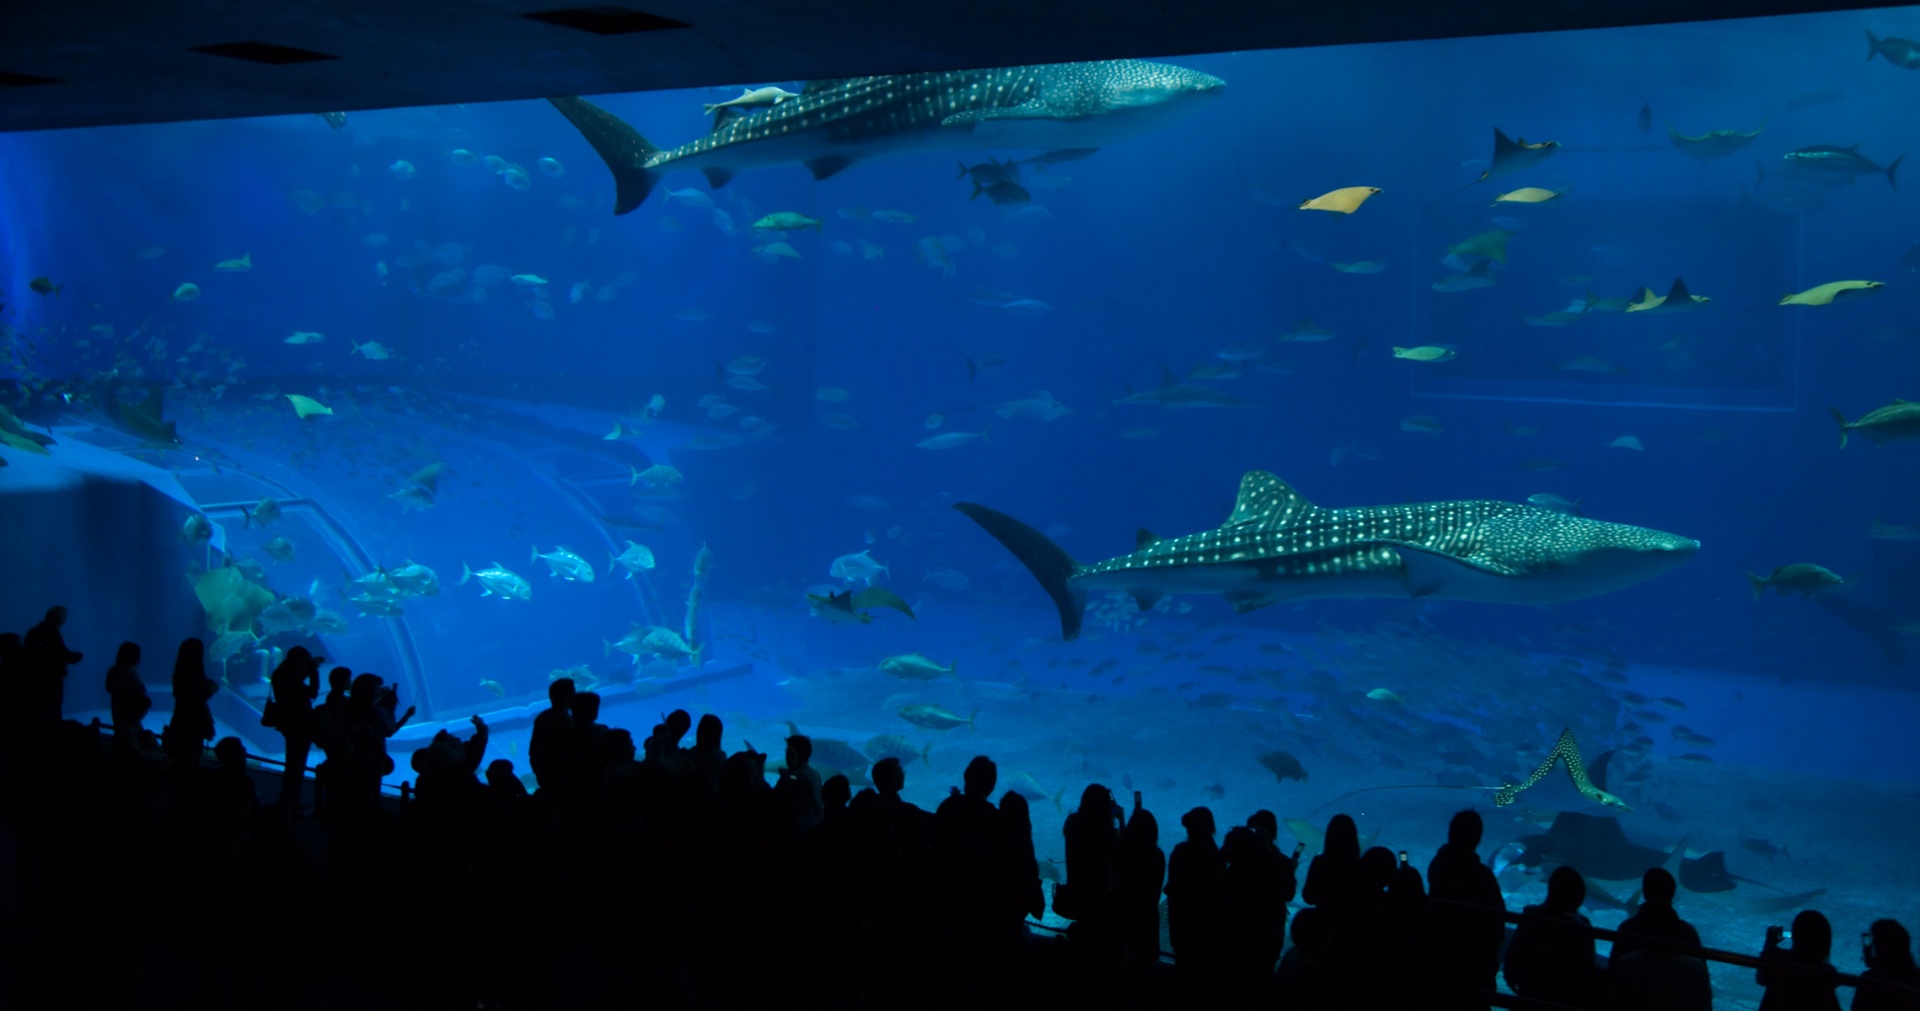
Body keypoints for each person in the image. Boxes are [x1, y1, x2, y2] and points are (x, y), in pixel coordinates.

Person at [1425, 809, 1507, 1010]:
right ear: (1477, 839)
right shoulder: (1483, 876)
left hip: (1439, 961)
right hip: (1474, 966)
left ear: (1451, 833)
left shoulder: (1437, 865)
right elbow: (1497, 921)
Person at [1503, 865, 1604, 1009]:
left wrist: (1513, 980)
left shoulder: (1532, 916)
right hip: (1566, 996)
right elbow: (1586, 967)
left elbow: (1514, 954)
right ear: (1579, 896)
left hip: (1532, 992)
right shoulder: (1581, 925)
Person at [1610, 866, 1711, 1010]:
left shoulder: (1628, 929)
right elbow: (1702, 985)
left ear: (1644, 893)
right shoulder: (1687, 932)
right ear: (1672, 893)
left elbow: (1613, 977)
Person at [1165, 806, 1226, 993]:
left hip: (1182, 927)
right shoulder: (1218, 858)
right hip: (1209, 930)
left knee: (1183, 974)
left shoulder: (1181, 851)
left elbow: (1172, 888)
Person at [1060, 784, 1121, 945]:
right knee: (1099, 939)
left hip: (1078, 893)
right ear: (1106, 808)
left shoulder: (1072, 823)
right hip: (1103, 899)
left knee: (1083, 936)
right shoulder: (1109, 835)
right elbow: (1124, 852)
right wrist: (1120, 819)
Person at [1113, 794, 1166, 965]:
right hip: (1147, 920)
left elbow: (1123, 844)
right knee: (1145, 967)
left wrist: (1121, 820)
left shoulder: (1123, 852)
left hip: (1123, 917)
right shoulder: (1158, 855)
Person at [268, 646, 321, 810]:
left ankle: (288, 801)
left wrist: (308, 670)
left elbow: (295, 680)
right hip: (299, 725)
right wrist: (313, 672)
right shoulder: (288, 677)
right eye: (305, 660)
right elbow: (311, 693)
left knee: (293, 765)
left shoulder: (281, 673)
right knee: (296, 766)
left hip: (288, 723)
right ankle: (290, 803)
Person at [1756, 910, 1842, 1011]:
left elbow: (1761, 979)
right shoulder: (1827, 972)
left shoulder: (1780, 959)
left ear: (1795, 936)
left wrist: (1769, 946)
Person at [163, 637, 217, 773]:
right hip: (194, 724)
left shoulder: (179, 674)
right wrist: (212, 687)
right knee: (191, 761)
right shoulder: (196, 676)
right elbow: (203, 693)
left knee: (178, 760)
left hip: (180, 720)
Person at [1854, 919, 1920, 1011]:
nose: (1868, 945)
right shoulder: (1916, 976)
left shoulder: (1869, 979)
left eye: (1872, 941)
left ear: (1878, 947)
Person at [103, 642, 148, 760]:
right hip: (130, 709)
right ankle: (133, 757)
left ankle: (118, 757)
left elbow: (108, 688)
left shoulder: (112, 670)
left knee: (120, 733)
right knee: (132, 732)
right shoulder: (131, 671)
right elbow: (140, 688)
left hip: (117, 708)